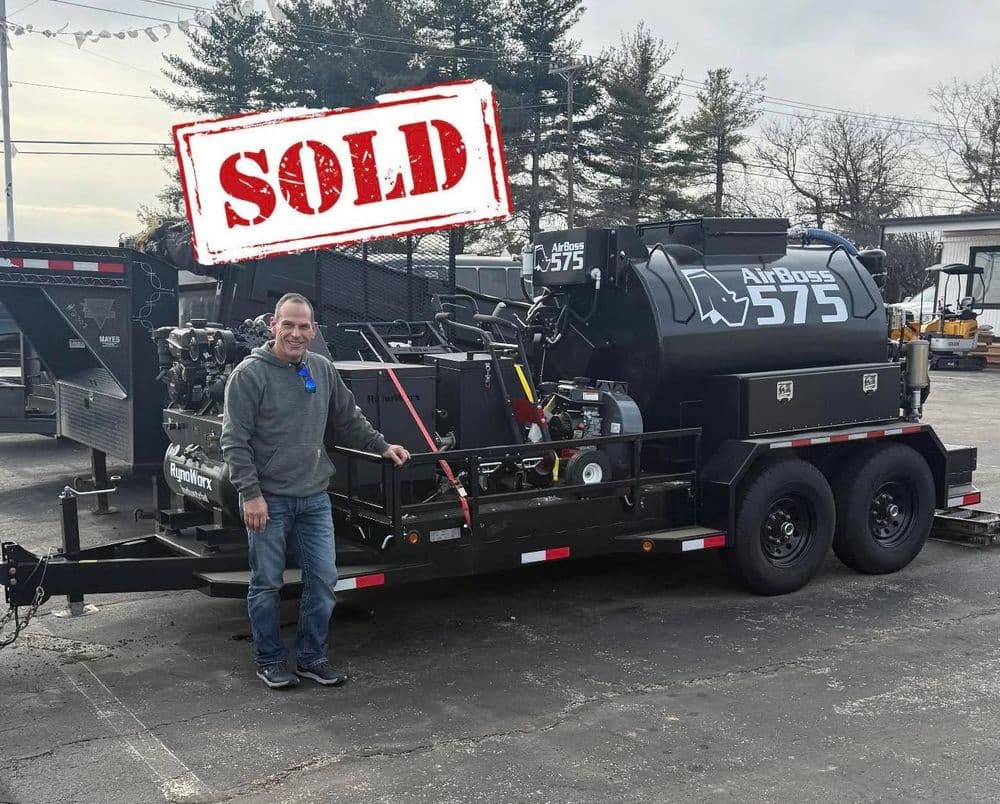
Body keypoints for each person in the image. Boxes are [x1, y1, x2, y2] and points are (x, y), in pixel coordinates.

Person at [221, 293, 410, 690]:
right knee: (267, 583)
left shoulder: (321, 369)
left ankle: (311, 657)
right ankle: (270, 659)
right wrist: (251, 494)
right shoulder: (249, 374)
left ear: (314, 330)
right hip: (267, 499)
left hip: (313, 497)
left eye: (303, 326)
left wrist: (382, 446)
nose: (295, 333)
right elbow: (233, 442)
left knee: (323, 580)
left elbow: (349, 418)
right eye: (288, 324)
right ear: (272, 325)